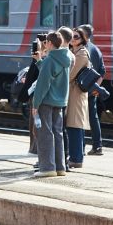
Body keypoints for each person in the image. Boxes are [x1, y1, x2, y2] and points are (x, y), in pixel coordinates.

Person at [32, 29, 72, 176]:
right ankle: (60, 167)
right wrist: (39, 62)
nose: (45, 45)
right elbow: (53, 73)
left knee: (45, 134)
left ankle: (47, 168)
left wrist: (35, 105)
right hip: (60, 101)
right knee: (58, 133)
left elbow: (43, 84)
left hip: (46, 100)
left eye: (46, 42)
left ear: (49, 43)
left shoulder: (50, 59)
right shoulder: (65, 58)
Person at [65, 30, 93, 169]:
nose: (73, 39)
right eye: (72, 36)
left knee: (74, 125)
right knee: (73, 125)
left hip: (76, 94)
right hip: (72, 92)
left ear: (82, 39)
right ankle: (75, 156)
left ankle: (76, 158)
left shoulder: (82, 53)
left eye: (76, 37)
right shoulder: (73, 51)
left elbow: (70, 74)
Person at [78, 23, 106, 156]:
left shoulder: (81, 49)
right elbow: (102, 71)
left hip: (81, 88)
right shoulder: (96, 49)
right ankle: (97, 146)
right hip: (92, 88)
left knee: (80, 118)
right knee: (93, 118)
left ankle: (81, 147)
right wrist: (97, 87)